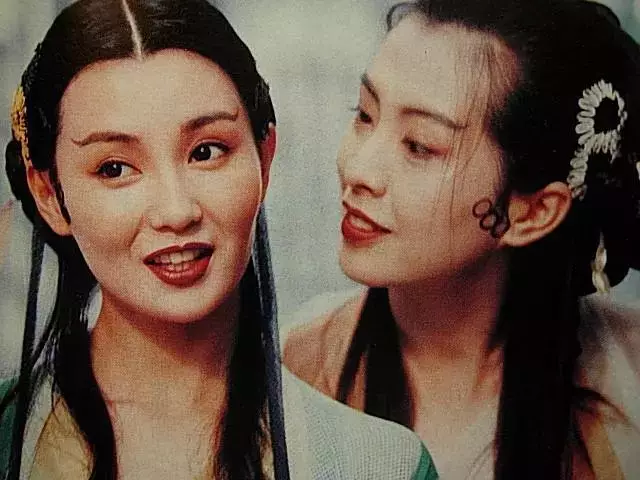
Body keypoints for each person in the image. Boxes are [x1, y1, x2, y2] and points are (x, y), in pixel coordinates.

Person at [0, 1, 437, 478]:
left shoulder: (380, 464)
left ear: (264, 158)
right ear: (49, 194)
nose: (176, 211)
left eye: (206, 152)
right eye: (115, 168)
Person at [283, 0, 640, 478]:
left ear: (533, 212)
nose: (358, 169)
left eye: (419, 146)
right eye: (365, 115)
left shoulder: (629, 385)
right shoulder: (291, 370)